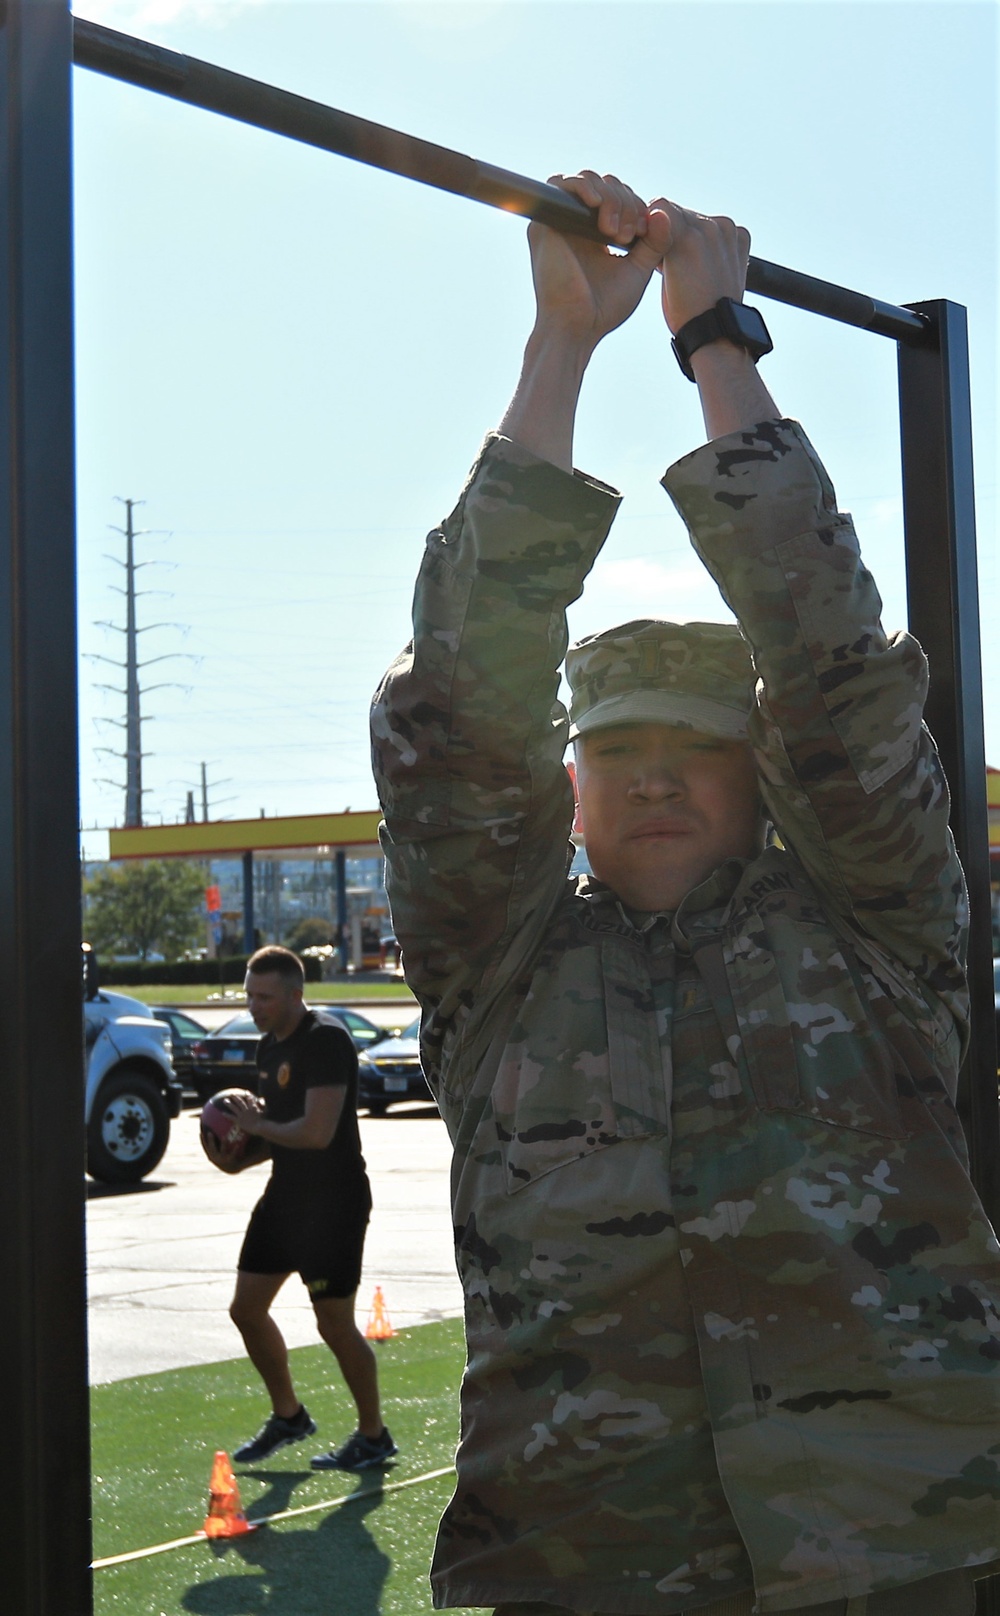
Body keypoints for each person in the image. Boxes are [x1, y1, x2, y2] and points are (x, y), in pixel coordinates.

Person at [370, 171, 1000, 1615]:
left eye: (697, 752)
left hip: (897, 1551)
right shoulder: (505, 968)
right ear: (568, 787)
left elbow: (836, 672)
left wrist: (716, 339)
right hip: (587, 1562)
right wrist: (561, 347)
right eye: (620, 752)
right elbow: (462, 711)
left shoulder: (873, 932)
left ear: (761, 777)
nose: (655, 782)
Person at [205, 943, 396, 1472]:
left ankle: (373, 1435)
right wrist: (237, 1158)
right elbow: (279, 1135)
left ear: (296, 994)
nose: (254, 1006)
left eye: (264, 996)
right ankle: (289, 1416)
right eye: (249, 995)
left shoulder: (326, 1039)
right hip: (285, 1199)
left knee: (334, 1324)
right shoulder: (269, 1047)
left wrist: (258, 1125)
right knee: (245, 1309)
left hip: (332, 1204)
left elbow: (315, 1132)